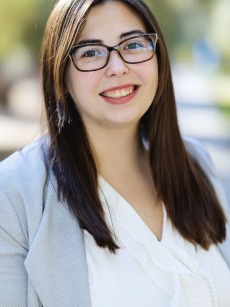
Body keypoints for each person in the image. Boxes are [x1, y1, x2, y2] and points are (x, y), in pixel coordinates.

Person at [0, 0, 230, 306]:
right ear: (61, 77)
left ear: (157, 56)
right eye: (91, 52)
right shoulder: (15, 196)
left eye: (133, 44)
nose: (118, 67)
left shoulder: (195, 163)